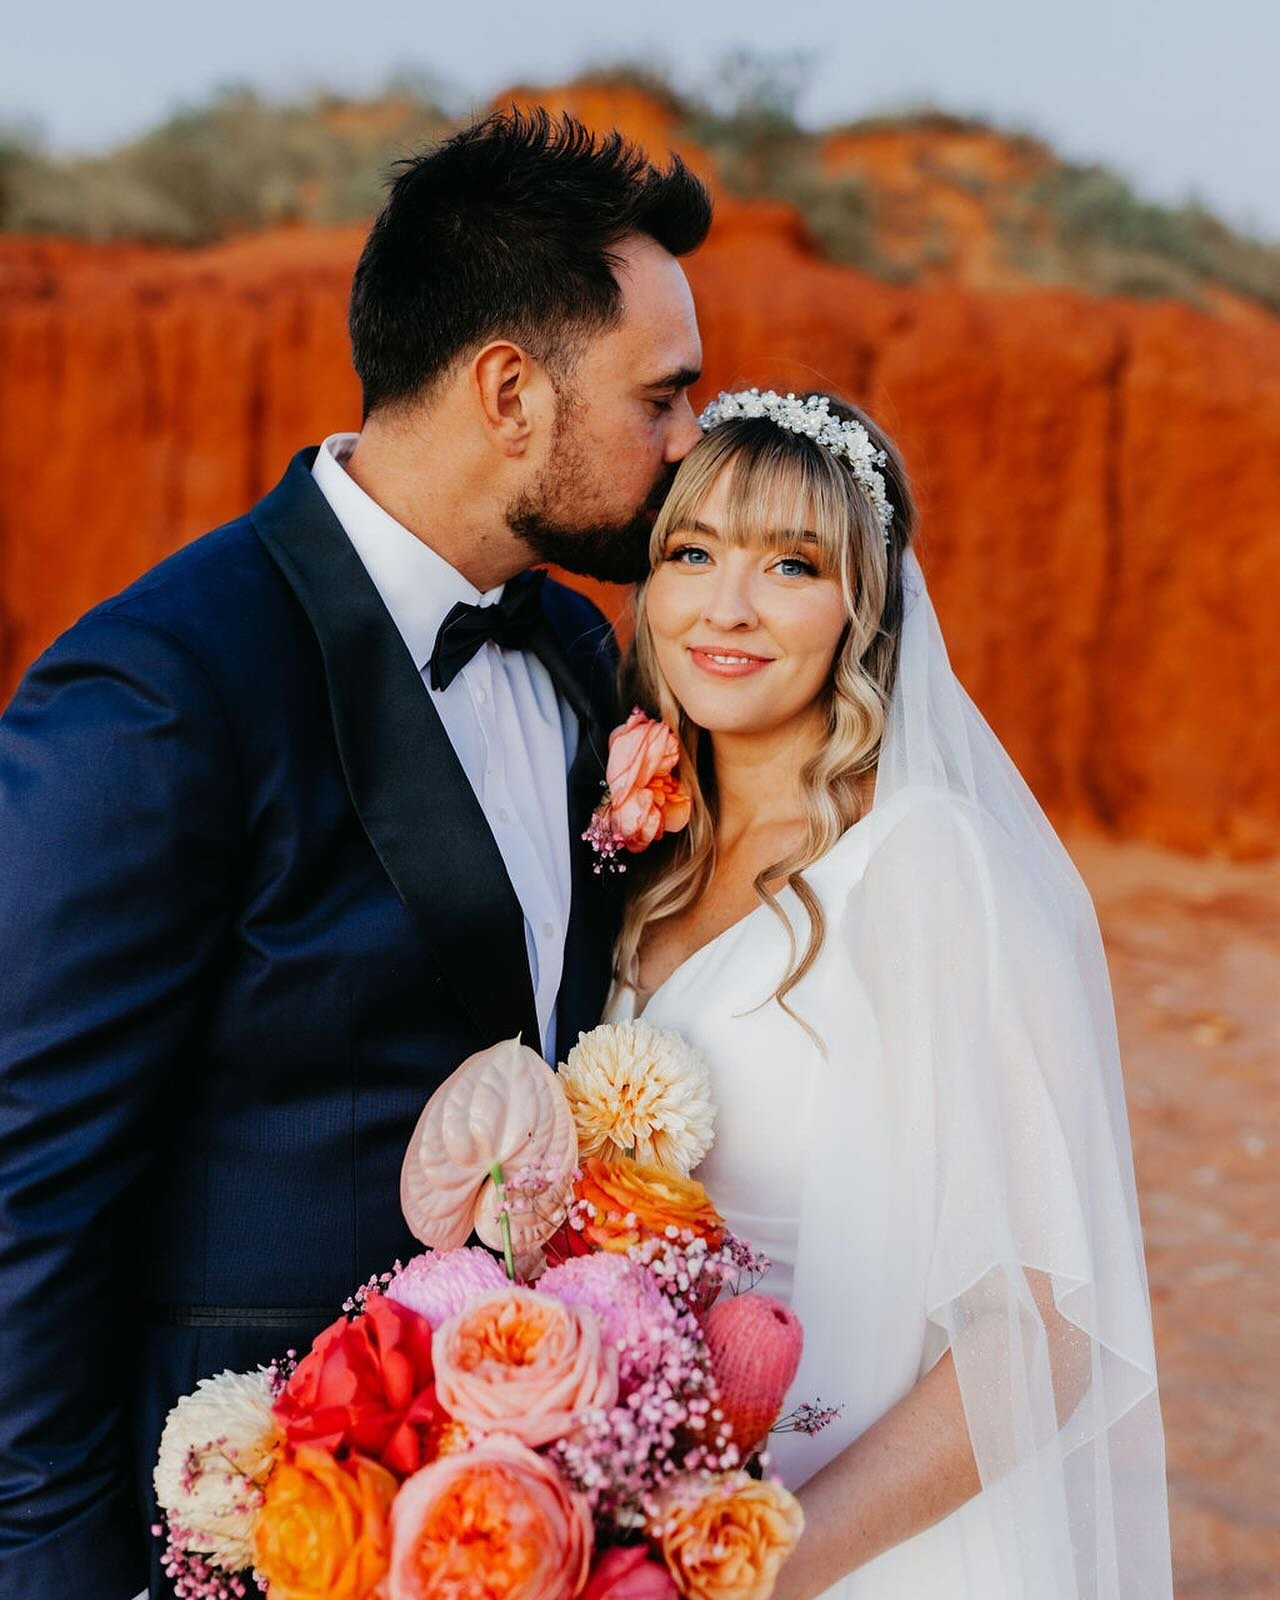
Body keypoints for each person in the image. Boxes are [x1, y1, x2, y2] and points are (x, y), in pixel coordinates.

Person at [0, 110, 708, 1600]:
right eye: (663, 398)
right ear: (510, 389)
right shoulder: (162, 691)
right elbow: (26, 1199)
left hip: (528, 1507)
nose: (688, 442)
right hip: (237, 1525)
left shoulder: (582, 651)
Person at [608, 389, 1174, 1598]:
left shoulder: (926, 866)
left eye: (790, 564)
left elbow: (1042, 1333)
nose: (727, 607)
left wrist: (760, 1566)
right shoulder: (634, 857)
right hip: (628, 1512)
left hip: (850, 1551)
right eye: (691, 552)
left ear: (862, 604)